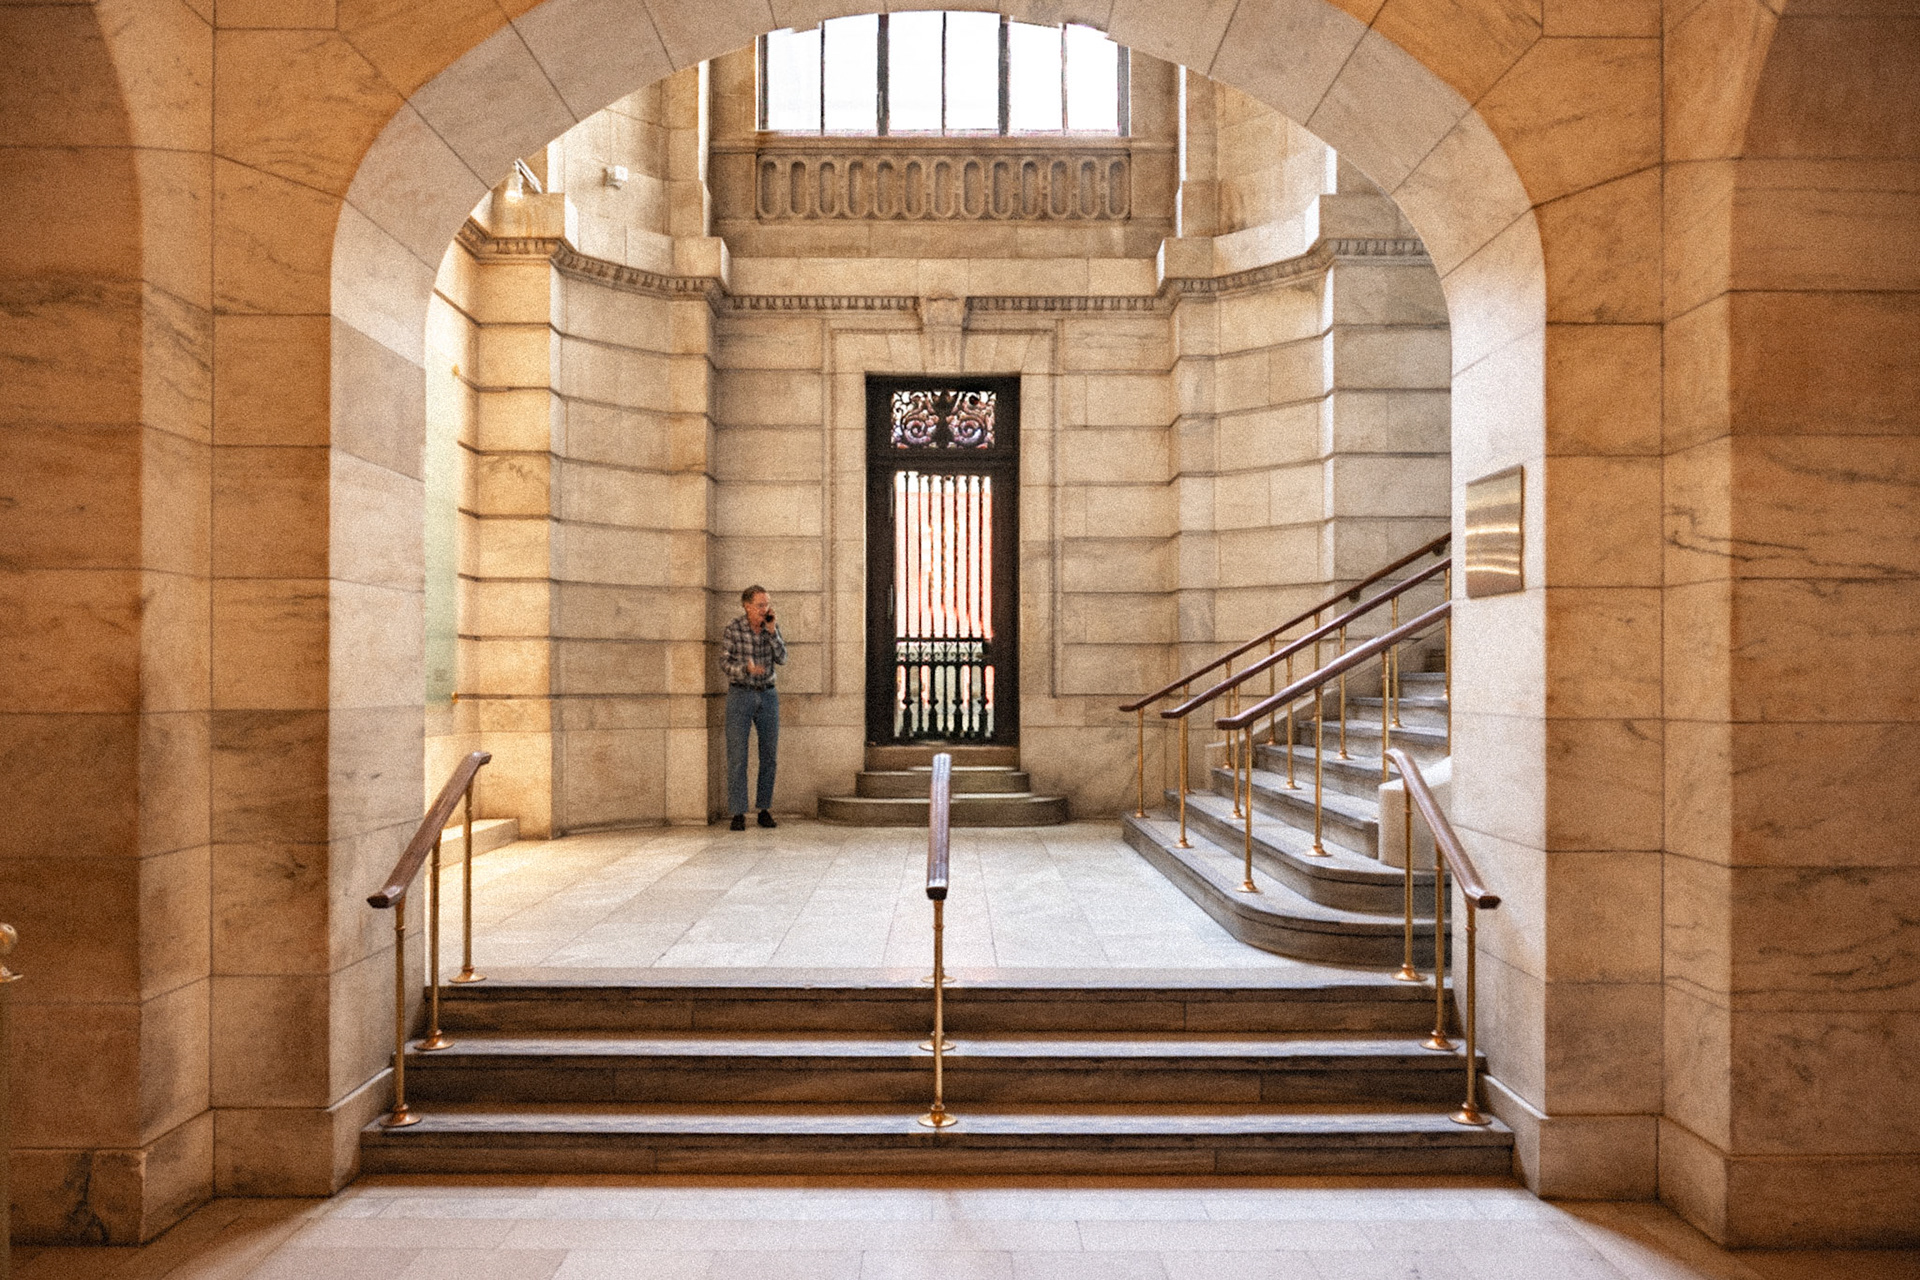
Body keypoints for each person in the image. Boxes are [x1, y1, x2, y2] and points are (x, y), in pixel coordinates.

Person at [721, 584, 786, 830]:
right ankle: (738, 812)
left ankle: (764, 809)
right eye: (760, 605)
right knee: (737, 756)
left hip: (768, 695)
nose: (765, 609)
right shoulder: (734, 629)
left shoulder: (771, 628)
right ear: (747, 606)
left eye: (767, 604)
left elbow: (782, 658)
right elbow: (724, 662)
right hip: (741, 694)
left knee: (769, 755)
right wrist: (744, 669)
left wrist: (772, 633)